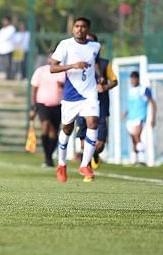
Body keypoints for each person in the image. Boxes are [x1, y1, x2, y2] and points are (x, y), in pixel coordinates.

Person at [49, 17, 101, 183]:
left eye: (83, 27)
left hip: (90, 94)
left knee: (93, 122)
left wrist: (100, 77)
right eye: (77, 26)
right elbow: (53, 67)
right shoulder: (65, 45)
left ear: (88, 30)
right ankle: (62, 164)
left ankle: (85, 164)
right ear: (73, 29)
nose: (79, 29)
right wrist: (72, 66)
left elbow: (96, 64)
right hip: (71, 96)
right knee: (67, 129)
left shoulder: (95, 46)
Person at [75, 32, 118, 169]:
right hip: (82, 105)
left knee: (99, 144)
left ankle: (93, 154)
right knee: (83, 143)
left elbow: (115, 81)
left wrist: (104, 87)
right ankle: (86, 162)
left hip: (100, 106)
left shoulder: (105, 64)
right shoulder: (77, 63)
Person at [29, 51, 65, 167]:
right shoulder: (41, 71)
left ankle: (49, 158)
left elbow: (68, 87)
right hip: (42, 104)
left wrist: (62, 86)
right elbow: (34, 89)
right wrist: (33, 106)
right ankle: (47, 156)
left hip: (58, 105)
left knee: (54, 131)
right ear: (48, 59)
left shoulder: (63, 71)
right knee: (46, 125)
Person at [123, 70, 156, 165]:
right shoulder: (130, 90)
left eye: (134, 79)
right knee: (134, 139)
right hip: (130, 118)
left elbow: (152, 102)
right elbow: (131, 104)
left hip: (140, 117)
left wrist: (153, 117)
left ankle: (142, 159)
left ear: (137, 79)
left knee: (137, 136)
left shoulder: (144, 89)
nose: (132, 81)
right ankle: (134, 159)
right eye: (131, 79)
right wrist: (126, 112)